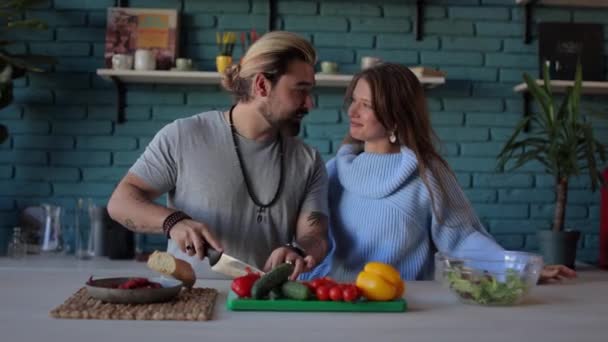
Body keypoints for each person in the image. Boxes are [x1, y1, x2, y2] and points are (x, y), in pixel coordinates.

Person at [303, 63, 575, 283]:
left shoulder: (427, 173)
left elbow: (462, 238)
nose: (352, 110)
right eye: (353, 100)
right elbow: (311, 242)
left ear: (397, 116)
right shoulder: (334, 171)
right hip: (341, 301)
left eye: (367, 104)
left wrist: (519, 268)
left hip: (406, 305)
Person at [107, 31, 329, 280]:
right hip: (186, 304)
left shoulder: (308, 160)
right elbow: (120, 202)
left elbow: (316, 235)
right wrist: (173, 222)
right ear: (261, 85)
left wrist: (298, 249)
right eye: (300, 90)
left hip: (263, 306)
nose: (310, 104)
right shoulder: (184, 136)